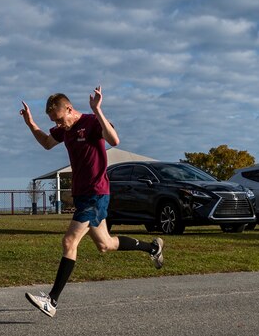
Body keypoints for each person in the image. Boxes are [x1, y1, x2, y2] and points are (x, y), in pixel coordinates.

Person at [20, 87, 164, 317]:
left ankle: (52, 301)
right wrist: (31, 124)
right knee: (105, 244)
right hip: (83, 194)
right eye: (54, 122)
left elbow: (114, 140)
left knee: (69, 241)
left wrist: (97, 110)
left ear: (69, 109)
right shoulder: (64, 130)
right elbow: (47, 143)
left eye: (59, 120)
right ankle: (153, 248)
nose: (58, 125)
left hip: (96, 193)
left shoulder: (91, 122)